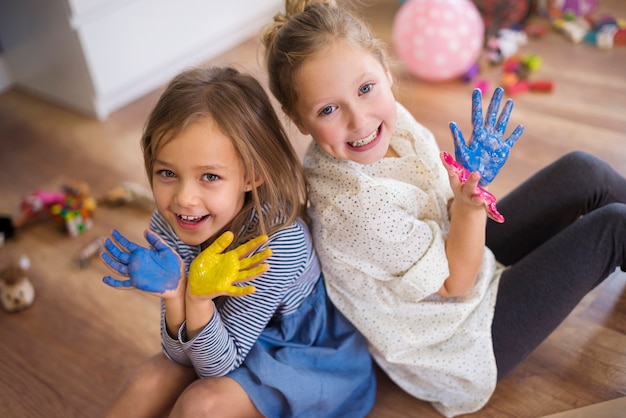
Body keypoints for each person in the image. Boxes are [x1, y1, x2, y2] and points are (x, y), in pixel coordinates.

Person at [261, 1, 626, 416]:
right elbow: (457, 285)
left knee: (585, 170)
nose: (359, 120)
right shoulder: (356, 206)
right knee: (615, 228)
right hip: (458, 338)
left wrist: (464, 191)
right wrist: (471, 208)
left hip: (461, 255)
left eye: (365, 89)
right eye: (328, 109)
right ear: (297, 120)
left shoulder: (391, 118)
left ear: (385, 69)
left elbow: (443, 207)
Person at [99, 65, 376, 418]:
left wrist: (196, 299)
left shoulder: (277, 246)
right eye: (167, 173)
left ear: (252, 175)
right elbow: (180, 356)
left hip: (301, 356)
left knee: (201, 405)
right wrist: (175, 294)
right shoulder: (171, 226)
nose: (184, 198)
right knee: (150, 380)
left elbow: (216, 369)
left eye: (209, 176)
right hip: (221, 343)